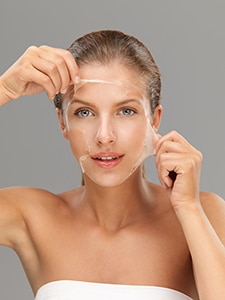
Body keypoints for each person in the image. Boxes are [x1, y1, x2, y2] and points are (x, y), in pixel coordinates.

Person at [0, 30, 225, 300]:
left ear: (154, 119)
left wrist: (188, 208)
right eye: (84, 112)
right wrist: (4, 89)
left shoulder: (206, 213)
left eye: (126, 111)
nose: (104, 135)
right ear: (62, 122)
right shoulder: (30, 217)